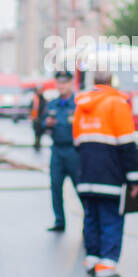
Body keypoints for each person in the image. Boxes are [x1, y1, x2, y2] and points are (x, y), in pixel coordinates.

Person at [74, 70, 138, 277]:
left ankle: (92, 263)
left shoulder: (82, 106)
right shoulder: (117, 103)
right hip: (110, 177)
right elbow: (128, 145)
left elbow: (77, 142)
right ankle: (106, 270)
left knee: (91, 219)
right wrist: (133, 180)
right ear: (111, 82)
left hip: (86, 175)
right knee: (111, 220)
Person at [43, 71, 78, 232]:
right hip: (57, 150)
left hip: (74, 151)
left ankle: (89, 222)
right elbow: (42, 124)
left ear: (71, 83)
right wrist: (47, 124)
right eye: (59, 83)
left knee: (80, 187)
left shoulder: (78, 104)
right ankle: (59, 221)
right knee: (55, 186)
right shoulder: (52, 104)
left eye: (65, 83)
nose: (62, 86)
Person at [30, 85, 47, 151]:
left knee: (40, 133)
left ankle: (38, 144)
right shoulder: (34, 100)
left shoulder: (43, 99)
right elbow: (31, 108)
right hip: (36, 120)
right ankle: (36, 144)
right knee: (36, 133)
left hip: (41, 119)